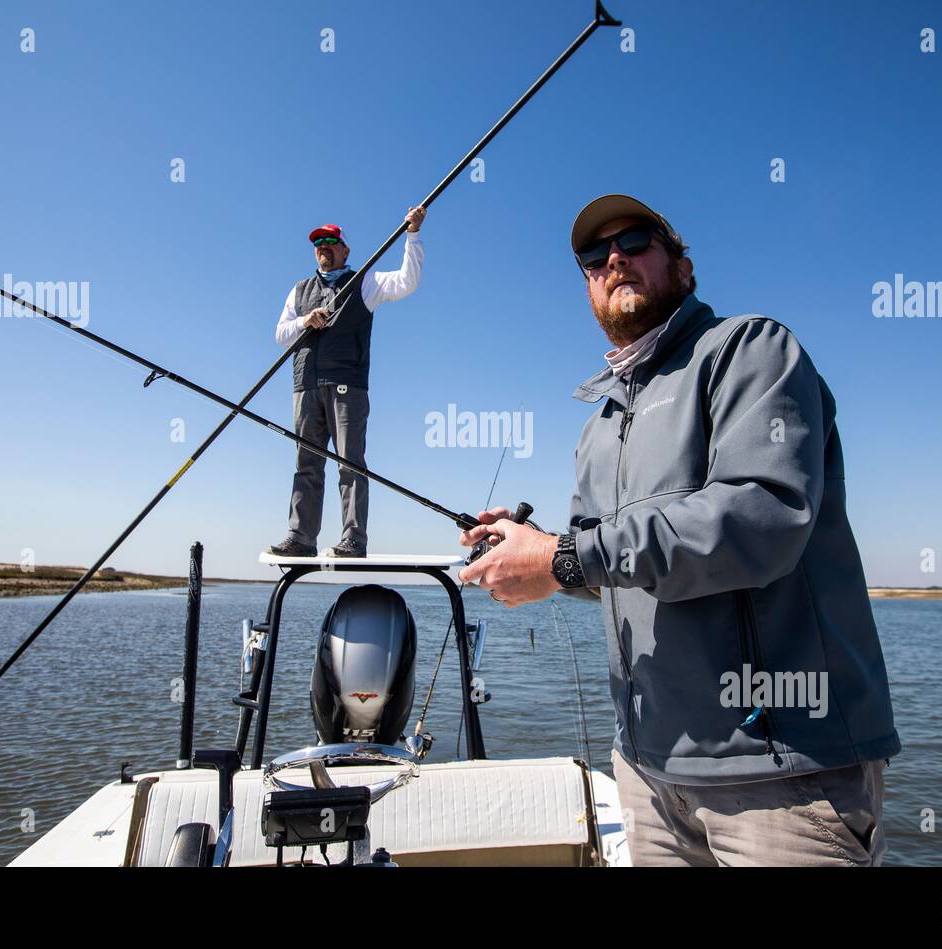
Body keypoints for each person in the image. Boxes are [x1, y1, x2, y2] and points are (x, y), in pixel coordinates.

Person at [458, 193, 900, 865]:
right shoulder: (598, 427)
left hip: (783, 777)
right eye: (593, 255)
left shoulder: (752, 351)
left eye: (635, 242)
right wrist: (539, 554)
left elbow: (761, 518)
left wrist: (563, 557)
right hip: (646, 777)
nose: (614, 258)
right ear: (586, 285)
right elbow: (610, 572)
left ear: (682, 269)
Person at [267, 207, 426, 558]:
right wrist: (305, 321)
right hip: (305, 385)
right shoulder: (298, 291)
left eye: (330, 241)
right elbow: (281, 334)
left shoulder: (364, 282)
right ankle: (301, 538)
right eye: (318, 243)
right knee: (306, 464)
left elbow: (406, 282)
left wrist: (412, 235)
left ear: (344, 250)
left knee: (350, 463)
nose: (323, 247)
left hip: (347, 385)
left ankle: (353, 540)